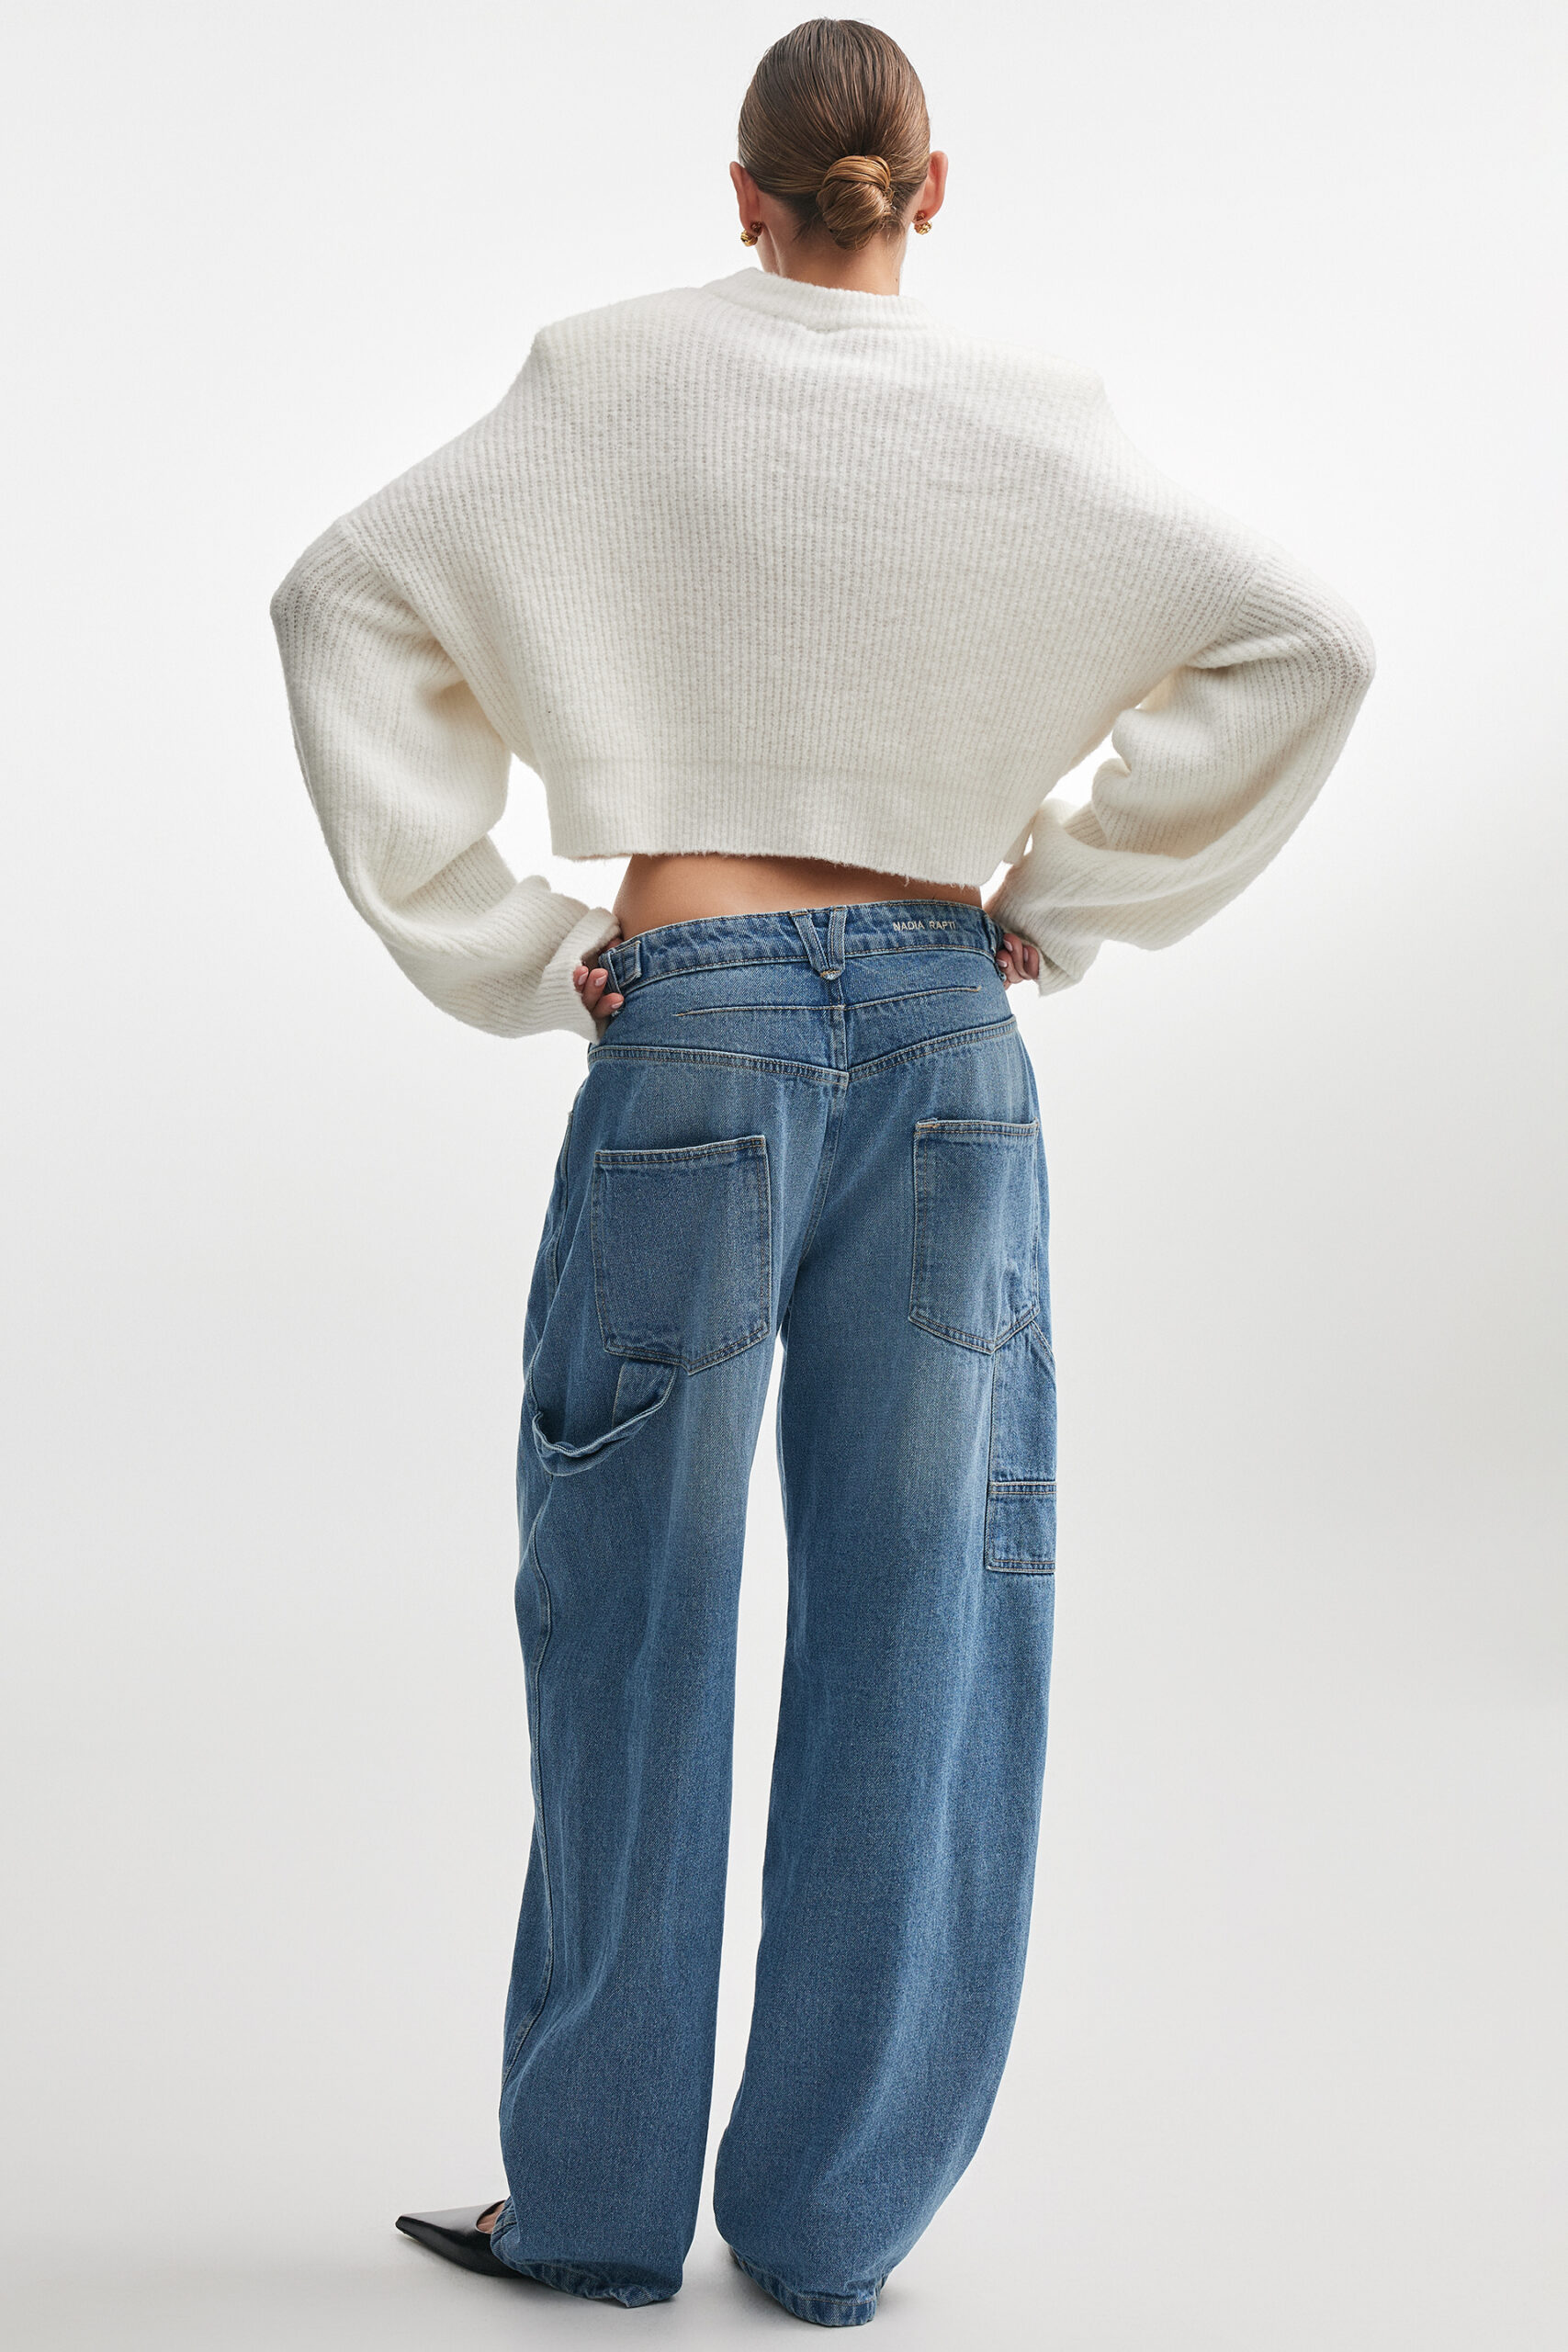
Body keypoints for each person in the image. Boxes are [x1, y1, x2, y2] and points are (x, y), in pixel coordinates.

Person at [269, 16, 1374, 2328]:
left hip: (692, 1014)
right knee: (925, 1616)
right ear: (930, 190)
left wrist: (510, 944)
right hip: (950, 1038)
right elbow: (1310, 641)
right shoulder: (1038, 421)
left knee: (631, 1609)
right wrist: (1067, 897)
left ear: (741, 191)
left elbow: (336, 596)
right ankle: (829, 2223)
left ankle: (591, 2209)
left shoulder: (605, 379)